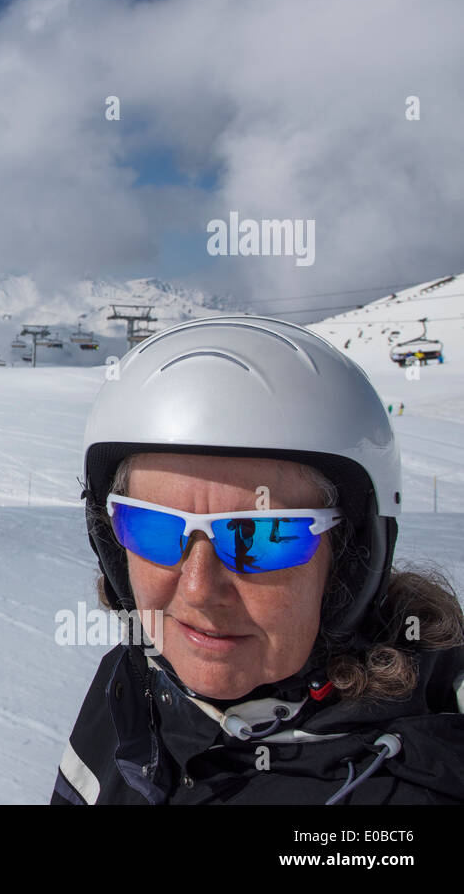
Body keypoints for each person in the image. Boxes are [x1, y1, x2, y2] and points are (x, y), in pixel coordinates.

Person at [52, 315, 464, 804]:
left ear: (349, 564)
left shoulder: (414, 786)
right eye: (153, 527)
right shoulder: (130, 687)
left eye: (260, 536)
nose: (199, 589)